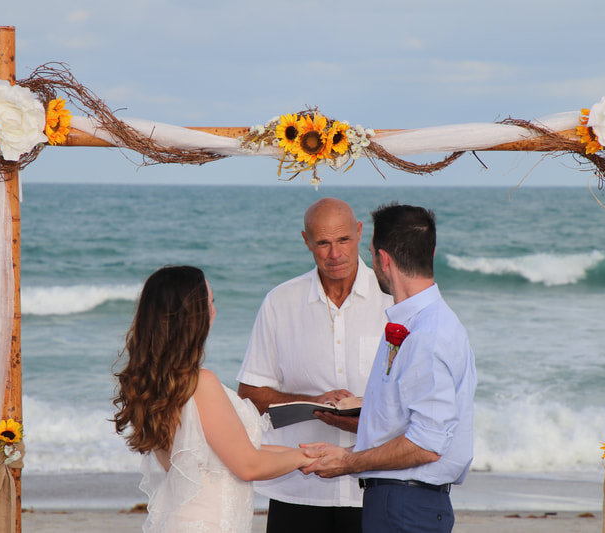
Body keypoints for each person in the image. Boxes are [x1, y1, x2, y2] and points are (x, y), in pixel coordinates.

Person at [301, 203, 478, 533]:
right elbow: (407, 428)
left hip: (406, 507)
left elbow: (426, 445)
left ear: (383, 259)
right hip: (399, 503)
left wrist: (349, 462)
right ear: (432, 251)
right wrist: (344, 452)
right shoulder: (419, 323)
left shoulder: (429, 333)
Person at [112, 265, 314, 533]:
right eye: (208, 303)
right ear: (191, 317)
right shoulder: (200, 383)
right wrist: (304, 459)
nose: (214, 311)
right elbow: (248, 465)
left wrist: (309, 453)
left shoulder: (160, 383)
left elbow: (228, 454)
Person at [236, 198, 393, 533]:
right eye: (322, 243)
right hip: (297, 488)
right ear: (306, 240)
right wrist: (313, 402)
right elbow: (249, 393)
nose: (334, 254)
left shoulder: (393, 301)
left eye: (343, 240)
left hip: (374, 488)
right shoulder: (280, 302)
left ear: (361, 234)